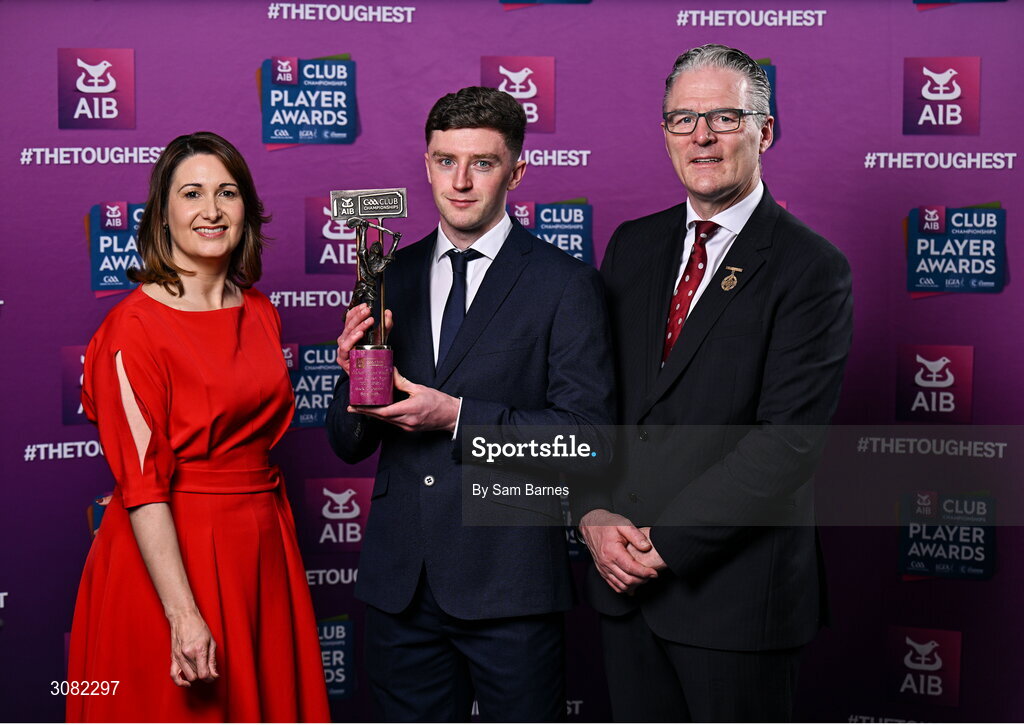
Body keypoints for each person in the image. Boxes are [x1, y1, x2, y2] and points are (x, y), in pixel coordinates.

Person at [574, 45, 854, 722]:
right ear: (665, 133)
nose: (701, 136)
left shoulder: (811, 268)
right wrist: (590, 512)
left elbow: (785, 445)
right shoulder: (632, 246)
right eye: (682, 119)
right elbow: (597, 404)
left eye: (724, 118)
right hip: (625, 594)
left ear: (766, 131)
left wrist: (662, 545)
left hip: (736, 605)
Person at [326, 86, 614, 721]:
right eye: (444, 160)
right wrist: (351, 380)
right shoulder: (385, 275)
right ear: (426, 162)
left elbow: (585, 439)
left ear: (516, 171)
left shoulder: (564, 285)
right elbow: (347, 446)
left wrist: (456, 417)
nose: (459, 181)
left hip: (509, 586)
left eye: (482, 163)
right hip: (401, 588)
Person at [66, 132, 330, 722]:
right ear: (163, 214)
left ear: (247, 210)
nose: (211, 211)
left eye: (227, 193)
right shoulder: (132, 329)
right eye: (192, 194)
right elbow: (142, 487)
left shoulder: (259, 309)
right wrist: (182, 614)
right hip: (171, 555)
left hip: (263, 544)